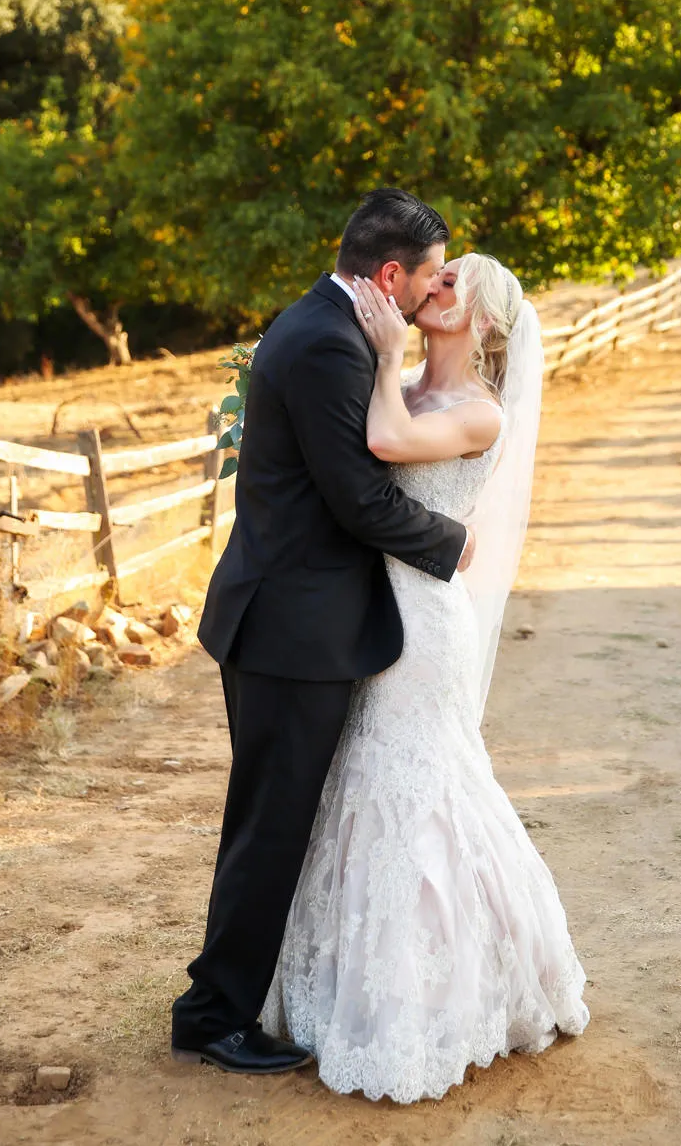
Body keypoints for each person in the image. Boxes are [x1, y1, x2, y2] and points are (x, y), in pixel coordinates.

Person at [262, 251, 589, 1102]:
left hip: (424, 623)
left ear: (484, 323)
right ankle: (343, 980)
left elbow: (385, 445)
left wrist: (382, 355)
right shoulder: (404, 386)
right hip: (364, 611)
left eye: (452, 285)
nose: (430, 287)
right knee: (361, 779)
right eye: (436, 278)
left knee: (418, 786)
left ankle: (434, 994)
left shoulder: (478, 412)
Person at [170, 189, 474, 1075]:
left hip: (292, 619)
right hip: (291, 630)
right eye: (429, 278)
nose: (436, 293)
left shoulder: (323, 327)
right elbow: (358, 499)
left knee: (270, 823)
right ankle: (213, 1018)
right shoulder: (328, 345)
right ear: (391, 275)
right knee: (270, 829)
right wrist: (452, 544)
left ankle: (227, 1001)